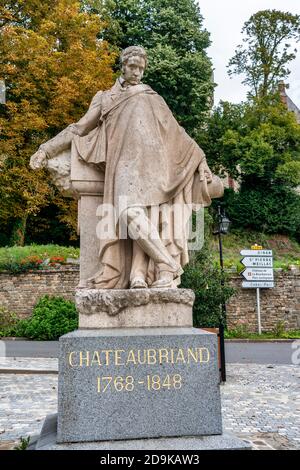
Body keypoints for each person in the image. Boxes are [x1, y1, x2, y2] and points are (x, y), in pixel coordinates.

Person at [31, 46, 221, 289]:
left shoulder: (151, 96)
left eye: (141, 69)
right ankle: (167, 265)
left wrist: (201, 159)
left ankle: (139, 276)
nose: (137, 73)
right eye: (133, 67)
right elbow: (79, 128)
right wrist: (47, 148)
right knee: (127, 213)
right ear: (123, 65)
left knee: (144, 216)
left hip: (152, 166)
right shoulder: (105, 97)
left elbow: (177, 133)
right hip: (122, 165)